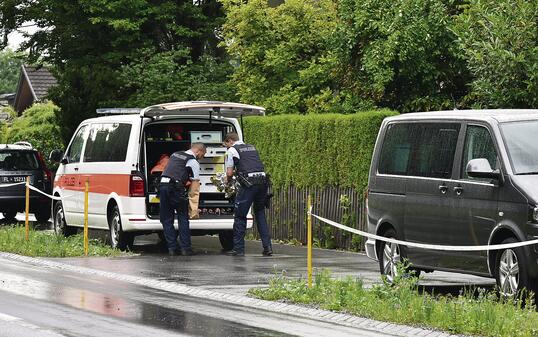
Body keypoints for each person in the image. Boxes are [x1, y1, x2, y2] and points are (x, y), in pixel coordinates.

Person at [223, 132, 273, 256]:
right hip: (263, 182)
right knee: (260, 213)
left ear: (230, 141)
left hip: (249, 184)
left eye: (226, 145)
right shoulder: (252, 147)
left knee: (240, 216)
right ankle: (268, 248)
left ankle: (238, 250)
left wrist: (227, 182)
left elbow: (229, 173)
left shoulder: (232, 150)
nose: (226, 147)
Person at [159, 143, 206, 256]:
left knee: (166, 219)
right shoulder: (193, 161)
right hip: (175, 188)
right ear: (199, 151)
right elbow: (195, 184)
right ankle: (186, 249)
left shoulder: (175, 154)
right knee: (183, 217)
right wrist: (193, 205)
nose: (203, 156)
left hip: (162, 186)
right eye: (203, 154)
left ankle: (172, 249)